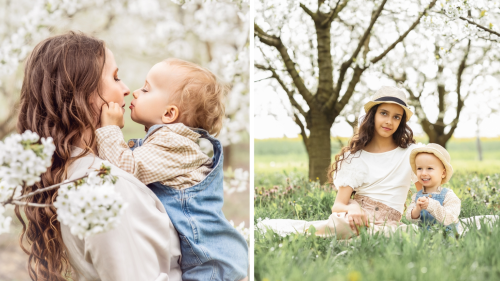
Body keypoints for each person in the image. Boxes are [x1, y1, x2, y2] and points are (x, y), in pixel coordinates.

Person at [16, 31, 182, 281]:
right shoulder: (105, 188)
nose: (127, 90)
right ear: (84, 93)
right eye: (116, 78)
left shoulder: (70, 175)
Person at [95, 59, 248, 281]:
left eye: (146, 89)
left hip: (211, 264)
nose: (135, 92)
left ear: (169, 114)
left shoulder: (173, 144)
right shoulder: (168, 142)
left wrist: (108, 129)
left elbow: (124, 171)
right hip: (210, 259)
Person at [257, 86, 423, 238]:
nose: (389, 121)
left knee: (397, 235)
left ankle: (356, 237)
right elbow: (338, 205)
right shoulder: (355, 157)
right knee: (343, 226)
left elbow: (424, 194)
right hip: (355, 220)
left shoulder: (411, 154)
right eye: (384, 113)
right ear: (373, 115)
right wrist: (352, 208)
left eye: (396, 117)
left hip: (389, 223)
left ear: (401, 122)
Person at [406, 143, 460, 232]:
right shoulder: (417, 196)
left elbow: (449, 218)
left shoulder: (448, 195)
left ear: (443, 173)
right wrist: (417, 209)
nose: (423, 173)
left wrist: (431, 205)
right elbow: (409, 217)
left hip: (445, 234)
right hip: (424, 235)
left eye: (429, 168)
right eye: (419, 168)